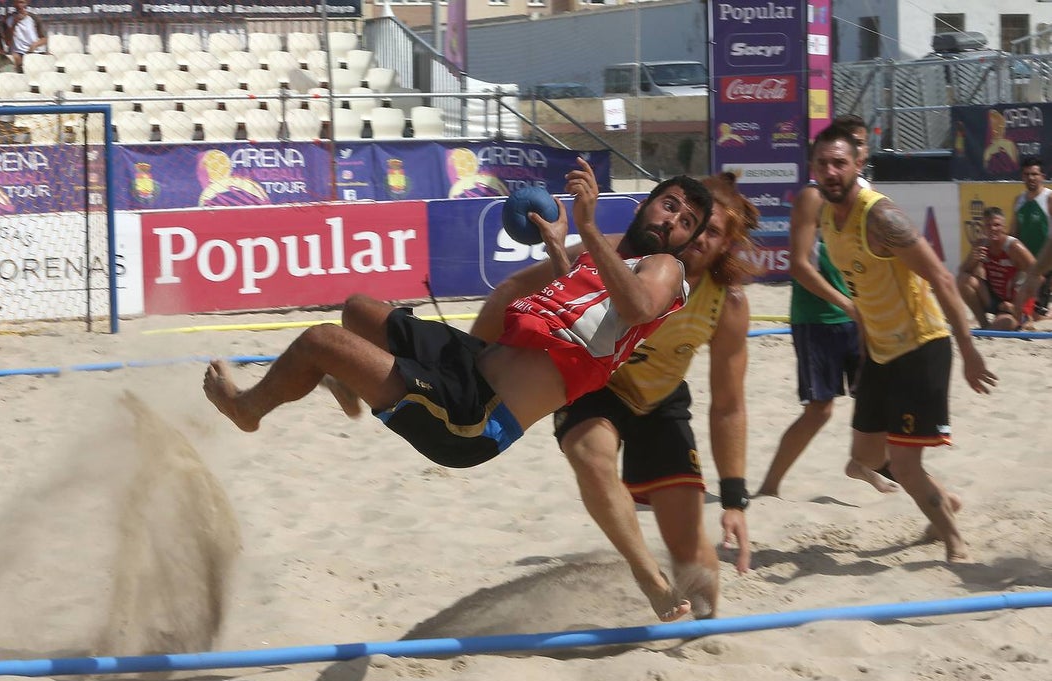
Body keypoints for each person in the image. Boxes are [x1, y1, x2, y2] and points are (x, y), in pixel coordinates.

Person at [203, 160, 713, 602]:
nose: (672, 221)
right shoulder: (614, 258)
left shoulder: (665, 268)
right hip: (472, 363)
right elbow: (583, 304)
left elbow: (637, 306)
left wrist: (587, 226)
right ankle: (352, 382)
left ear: (687, 243)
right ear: (647, 204)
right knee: (358, 311)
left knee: (321, 341)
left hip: (474, 416)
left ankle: (248, 409)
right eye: (669, 206)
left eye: (685, 222)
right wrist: (560, 247)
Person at [469, 172, 759, 621]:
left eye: (710, 231)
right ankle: (646, 573)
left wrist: (735, 498)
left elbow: (728, 405)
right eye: (690, 223)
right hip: (595, 385)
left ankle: (702, 631)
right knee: (590, 453)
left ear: (723, 244)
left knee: (691, 551)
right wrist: (472, 360)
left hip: (659, 399)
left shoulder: (727, 303)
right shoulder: (614, 252)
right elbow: (512, 290)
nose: (699, 237)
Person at [810, 123, 996, 563]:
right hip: (880, 351)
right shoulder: (826, 216)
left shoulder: (880, 217)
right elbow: (861, 288)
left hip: (920, 346)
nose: (831, 171)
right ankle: (942, 501)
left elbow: (941, 277)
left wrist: (969, 351)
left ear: (858, 164)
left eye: (839, 163)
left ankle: (954, 542)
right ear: (813, 168)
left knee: (904, 464)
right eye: (822, 163)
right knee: (865, 457)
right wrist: (864, 344)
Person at [758, 114, 897, 498]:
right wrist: (849, 305)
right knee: (820, 409)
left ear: (861, 154)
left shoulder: (869, 197)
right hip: (819, 317)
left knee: (877, 399)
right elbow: (799, 266)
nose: (852, 150)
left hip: (862, 315)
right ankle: (769, 487)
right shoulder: (814, 197)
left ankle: (862, 464)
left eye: (859, 143)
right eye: (843, 145)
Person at [958, 206, 1036, 331]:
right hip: (995, 299)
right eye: (988, 225)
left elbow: (1038, 276)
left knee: (1003, 324)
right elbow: (963, 272)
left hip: (1014, 304)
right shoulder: (981, 244)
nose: (992, 229)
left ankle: (1023, 319)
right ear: (983, 228)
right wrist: (973, 260)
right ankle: (984, 324)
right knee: (963, 279)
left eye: (996, 225)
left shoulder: (1014, 247)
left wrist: (1017, 306)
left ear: (1004, 227)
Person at [1011, 156, 1052, 317]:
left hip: (1045, 266)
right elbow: (1013, 233)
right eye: (1027, 174)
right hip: (1026, 265)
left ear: (1042, 176)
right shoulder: (1019, 200)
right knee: (1018, 312)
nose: (1031, 178)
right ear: (1022, 176)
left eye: (1034, 174)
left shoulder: (1049, 198)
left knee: (1036, 316)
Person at [3, 0, 47, 70]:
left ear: (26, 3)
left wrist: (35, 45)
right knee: (13, 59)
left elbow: (44, 39)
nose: (19, 5)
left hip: (34, 51)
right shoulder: (8, 19)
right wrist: (14, 24)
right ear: (14, 3)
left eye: (21, 2)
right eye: (17, 2)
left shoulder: (34, 18)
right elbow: (7, 42)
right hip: (17, 53)